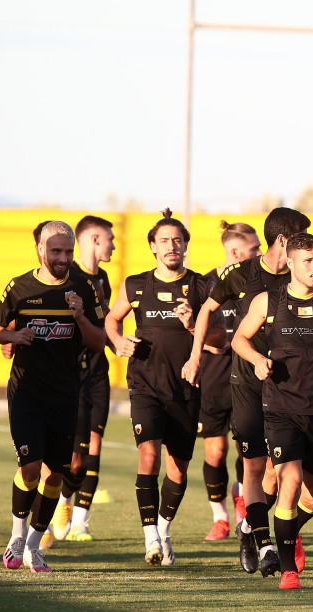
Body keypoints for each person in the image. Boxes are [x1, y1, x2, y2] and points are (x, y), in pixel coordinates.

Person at [232, 233, 313, 588]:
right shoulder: (268, 300)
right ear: (290, 262)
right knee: (288, 480)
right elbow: (239, 339)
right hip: (280, 408)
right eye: (308, 261)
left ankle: (264, 530)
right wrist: (258, 359)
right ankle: (288, 570)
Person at [183, 207, 311, 576]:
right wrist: (195, 357)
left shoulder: (304, 277)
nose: (308, 252)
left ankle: (249, 527)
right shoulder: (240, 275)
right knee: (254, 467)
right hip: (246, 384)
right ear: (283, 241)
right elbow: (206, 310)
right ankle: (265, 543)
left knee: (281, 470)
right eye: (300, 240)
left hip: (289, 386)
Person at [0, 220, 106, 573]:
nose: (63, 257)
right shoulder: (19, 286)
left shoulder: (85, 287)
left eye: (68, 251)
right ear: (40, 249)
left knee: (56, 474)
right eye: (56, 250)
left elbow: (99, 341)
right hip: (26, 392)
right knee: (29, 468)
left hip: (65, 394)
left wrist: (80, 317)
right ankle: (16, 534)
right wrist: (14, 338)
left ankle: (35, 547)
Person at [105, 210, 216, 566]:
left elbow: (219, 342)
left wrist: (190, 324)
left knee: (178, 469)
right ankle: (150, 536)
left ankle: (165, 530)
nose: (172, 246)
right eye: (164, 241)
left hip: (185, 388)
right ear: (153, 247)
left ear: (186, 246)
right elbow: (111, 318)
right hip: (144, 386)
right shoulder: (136, 284)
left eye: (178, 241)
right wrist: (118, 341)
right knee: (148, 455)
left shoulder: (202, 287)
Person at [47, 214, 116, 546]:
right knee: (73, 460)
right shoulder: (67, 277)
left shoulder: (102, 278)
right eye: (110, 239)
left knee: (95, 447)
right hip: (70, 374)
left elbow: (103, 326)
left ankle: (81, 522)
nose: (114, 245)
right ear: (94, 240)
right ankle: (61, 501)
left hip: (97, 373)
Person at [198, 221, 258, 541]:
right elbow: (198, 328)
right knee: (215, 452)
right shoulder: (205, 283)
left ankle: (243, 506)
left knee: (247, 450)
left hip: (247, 377)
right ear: (235, 252)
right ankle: (219, 516)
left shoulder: (259, 282)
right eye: (254, 249)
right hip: (214, 376)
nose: (260, 254)